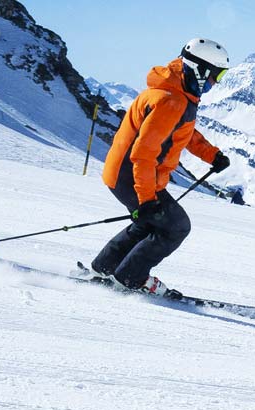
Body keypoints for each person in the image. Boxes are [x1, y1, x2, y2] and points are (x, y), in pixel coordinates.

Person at [80, 38, 234, 295]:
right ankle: (131, 277)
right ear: (200, 70)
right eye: (216, 75)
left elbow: (183, 132)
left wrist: (212, 155)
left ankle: (104, 268)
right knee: (176, 226)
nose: (216, 82)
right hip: (133, 176)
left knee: (149, 224)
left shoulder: (177, 93)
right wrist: (147, 200)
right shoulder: (170, 100)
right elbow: (143, 155)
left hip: (125, 174)